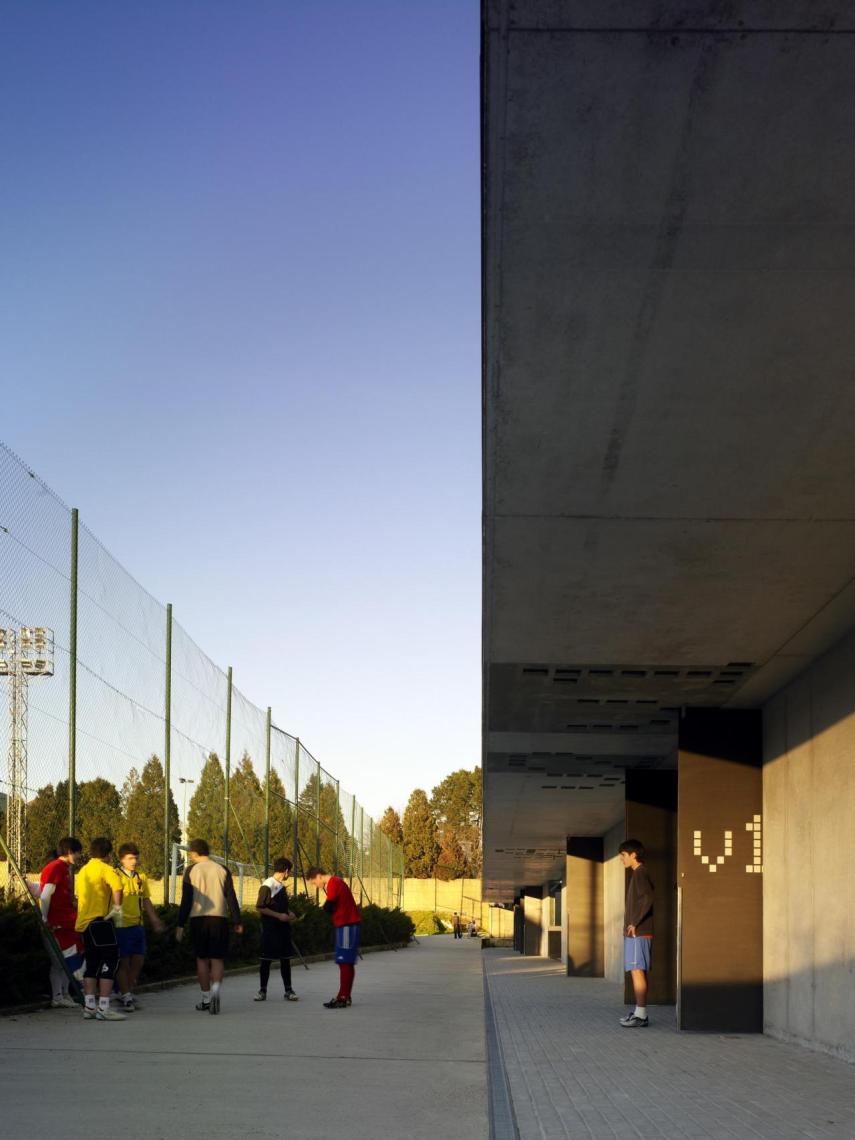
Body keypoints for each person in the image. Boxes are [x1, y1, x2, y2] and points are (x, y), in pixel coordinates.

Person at [176, 838, 243, 1015]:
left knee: (201, 959)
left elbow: (186, 900)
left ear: (194, 853)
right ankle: (215, 992)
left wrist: (180, 924)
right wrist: (237, 921)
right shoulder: (222, 869)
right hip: (219, 919)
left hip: (198, 919)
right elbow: (231, 897)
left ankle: (206, 999)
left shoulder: (191, 870)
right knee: (217, 959)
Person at [74, 837, 125, 1021]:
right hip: (101, 921)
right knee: (111, 960)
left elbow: (78, 895)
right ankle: (104, 1007)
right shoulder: (107, 869)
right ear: (109, 854)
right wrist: (117, 908)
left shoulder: (83, 871)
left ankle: (89, 1006)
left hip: (85, 923)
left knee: (92, 962)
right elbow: (118, 888)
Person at [114, 843, 165, 1012]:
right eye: (130, 858)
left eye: (136, 858)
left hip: (138, 925)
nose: (134, 861)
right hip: (121, 925)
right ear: (122, 859)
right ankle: (126, 995)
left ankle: (125, 991)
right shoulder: (115, 875)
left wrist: (154, 919)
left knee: (138, 960)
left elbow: (146, 900)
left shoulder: (141, 877)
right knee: (124, 962)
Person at [305, 866, 361, 1009]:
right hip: (346, 925)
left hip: (347, 925)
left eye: (313, 883)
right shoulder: (335, 882)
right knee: (346, 962)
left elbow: (329, 906)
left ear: (318, 876)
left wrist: (316, 912)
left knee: (345, 962)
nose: (316, 886)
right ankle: (345, 995)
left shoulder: (334, 883)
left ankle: (342, 997)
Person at [39, 836, 85, 1008]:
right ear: (69, 852)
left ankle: (64, 994)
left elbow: (44, 891)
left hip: (65, 924)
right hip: (57, 925)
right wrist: (45, 918)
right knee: (61, 961)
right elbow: (45, 895)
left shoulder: (61, 868)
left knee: (67, 960)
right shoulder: (57, 868)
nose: (80, 856)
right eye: (78, 852)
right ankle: (58, 996)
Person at [619, 838, 654, 1028]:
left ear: (634, 855)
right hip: (637, 932)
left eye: (623, 855)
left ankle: (641, 1015)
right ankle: (640, 1012)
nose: (621, 859)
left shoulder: (640, 872)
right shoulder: (639, 873)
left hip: (638, 932)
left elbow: (648, 898)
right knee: (637, 971)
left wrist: (634, 922)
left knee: (636, 971)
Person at [253, 856, 298, 1002]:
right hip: (270, 930)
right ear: (285, 871)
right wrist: (278, 915)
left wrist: (289, 913)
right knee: (266, 960)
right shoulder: (268, 885)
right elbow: (260, 907)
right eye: (289, 872)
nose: (289, 875)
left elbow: (280, 906)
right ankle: (262, 991)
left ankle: (289, 990)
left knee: (285, 960)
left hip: (283, 930)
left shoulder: (280, 886)